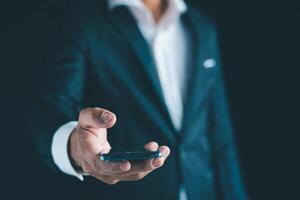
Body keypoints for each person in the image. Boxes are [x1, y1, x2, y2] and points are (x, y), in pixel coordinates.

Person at [27, 0, 247, 199]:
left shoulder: (202, 26)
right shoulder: (83, 21)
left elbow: (220, 133)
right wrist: (74, 147)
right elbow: (53, 104)